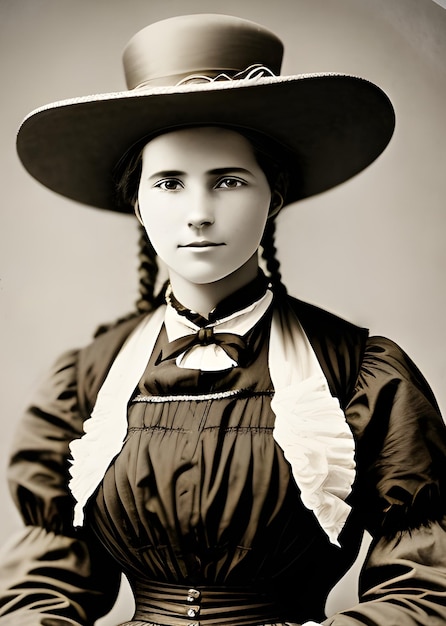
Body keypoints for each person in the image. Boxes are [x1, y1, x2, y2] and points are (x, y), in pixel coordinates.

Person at [1, 12, 446, 626]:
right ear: (137, 202)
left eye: (229, 180)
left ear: (275, 195)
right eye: (169, 184)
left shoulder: (361, 374)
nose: (199, 213)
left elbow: (426, 585)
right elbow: (42, 586)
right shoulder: (85, 380)